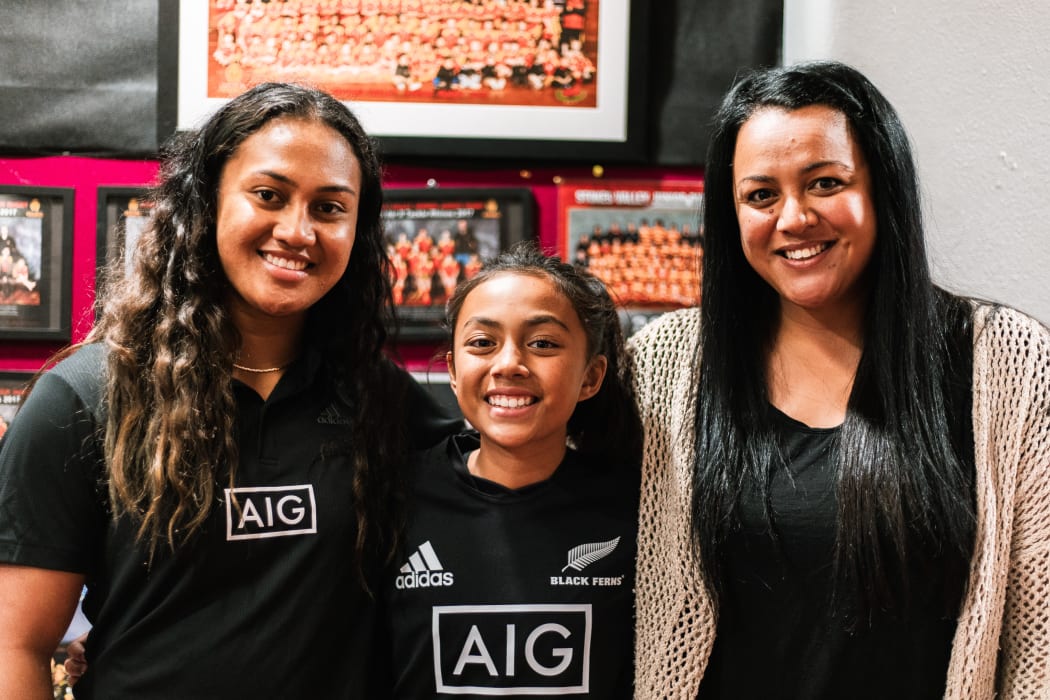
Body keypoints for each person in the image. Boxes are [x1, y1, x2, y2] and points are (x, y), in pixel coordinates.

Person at [0, 82, 460, 698]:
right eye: (269, 195)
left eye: (329, 208)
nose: (298, 231)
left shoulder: (385, 402)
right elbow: (16, 646)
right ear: (208, 200)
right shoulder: (83, 398)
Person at [629, 60, 1050, 698]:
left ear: (882, 189)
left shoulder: (1008, 364)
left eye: (825, 183)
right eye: (761, 195)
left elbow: (1038, 648)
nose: (794, 218)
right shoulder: (662, 366)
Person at [380, 244, 640, 697]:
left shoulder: (637, 511)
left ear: (591, 377)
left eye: (543, 343)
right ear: (454, 371)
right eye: (482, 343)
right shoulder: (391, 498)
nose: (509, 364)